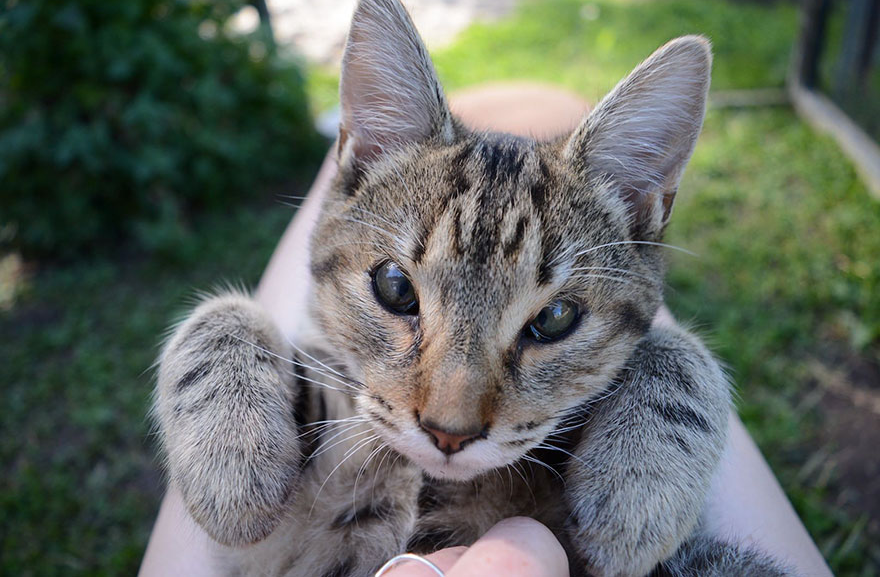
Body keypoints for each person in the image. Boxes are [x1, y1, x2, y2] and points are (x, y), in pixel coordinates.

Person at [139, 84, 832, 577]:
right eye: (399, 291)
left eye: (551, 319)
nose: (453, 416)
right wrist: (224, 343)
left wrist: (667, 372)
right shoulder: (340, 376)